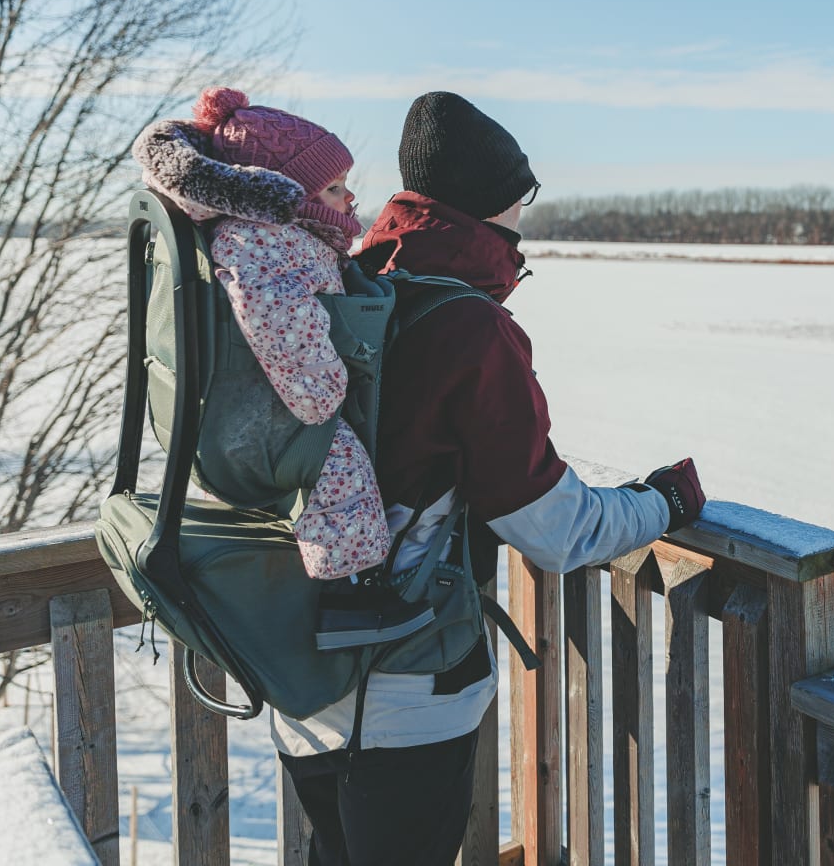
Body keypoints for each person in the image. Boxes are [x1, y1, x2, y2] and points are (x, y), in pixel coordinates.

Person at [273, 90, 706, 866]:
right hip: (405, 691)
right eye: (520, 199)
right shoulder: (470, 327)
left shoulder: (352, 278)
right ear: (491, 205)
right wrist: (662, 502)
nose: (523, 219)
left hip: (302, 677)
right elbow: (557, 528)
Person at [133, 86, 432, 647]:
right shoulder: (264, 240)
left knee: (340, 467)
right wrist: (323, 392)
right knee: (342, 468)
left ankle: (348, 581)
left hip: (253, 410)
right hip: (269, 416)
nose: (348, 200)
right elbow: (277, 318)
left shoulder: (281, 234)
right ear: (282, 189)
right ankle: (349, 597)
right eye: (334, 188)